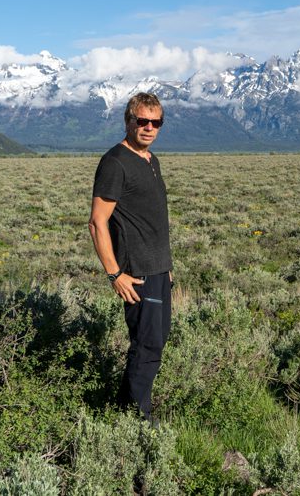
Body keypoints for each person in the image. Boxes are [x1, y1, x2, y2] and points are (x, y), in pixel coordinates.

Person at [88, 92, 174, 424]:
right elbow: (97, 222)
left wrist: (166, 267)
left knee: (155, 341)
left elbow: (154, 221)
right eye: (142, 121)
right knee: (147, 344)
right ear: (128, 121)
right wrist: (114, 273)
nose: (149, 128)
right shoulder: (115, 163)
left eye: (156, 122)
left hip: (158, 269)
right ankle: (139, 421)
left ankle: (123, 409)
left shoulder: (150, 160)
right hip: (136, 272)